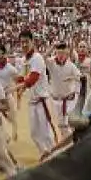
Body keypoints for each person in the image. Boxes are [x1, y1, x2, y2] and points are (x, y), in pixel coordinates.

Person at [15, 30, 57, 159]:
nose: (24, 45)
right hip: (32, 101)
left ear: (32, 42)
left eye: (26, 42)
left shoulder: (37, 58)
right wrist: (17, 90)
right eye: (22, 42)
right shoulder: (24, 60)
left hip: (42, 100)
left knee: (45, 132)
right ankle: (44, 153)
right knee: (34, 133)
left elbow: (32, 79)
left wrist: (16, 88)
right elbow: (21, 78)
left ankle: (53, 156)